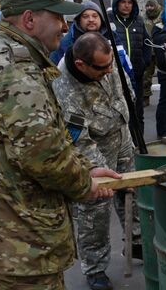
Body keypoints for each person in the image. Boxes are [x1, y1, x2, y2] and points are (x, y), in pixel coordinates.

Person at [0, 0, 120, 289]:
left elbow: (28, 138)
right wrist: (85, 184)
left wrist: (87, 166)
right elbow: (43, 154)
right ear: (29, 20)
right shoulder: (13, 68)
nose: (65, 27)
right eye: (58, 17)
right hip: (21, 241)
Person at [52, 32, 143, 290]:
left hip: (122, 135)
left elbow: (124, 88)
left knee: (132, 192)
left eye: (111, 63)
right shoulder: (64, 85)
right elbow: (78, 139)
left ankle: (136, 242)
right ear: (82, 65)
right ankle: (95, 268)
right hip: (94, 148)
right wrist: (94, 168)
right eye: (103, 67)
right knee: (96, 207)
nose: (109, 70)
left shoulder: (106, 62)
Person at [49, 0, 134, 81]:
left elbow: (126, 66)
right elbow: (53, 71)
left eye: (95, 16)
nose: (91, 20)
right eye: (85, 16)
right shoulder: (67, 41)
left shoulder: (112, 37)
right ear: (79, 20)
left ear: (101, 18)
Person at [109, 0, 150, 134]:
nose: (126, 5)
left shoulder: (138, 21)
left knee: (137, 113)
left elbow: (147, 44)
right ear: (117, 3)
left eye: (130, 2)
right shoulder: (109, 21)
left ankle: (139, 144)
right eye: (123, 2)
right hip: (116, 78)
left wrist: (143, 65)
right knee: (119, 113)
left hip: (136, 77)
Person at [143, 0, 162, 107]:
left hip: (160, 50)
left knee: (164, 74)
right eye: (148, 6)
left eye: (151, 6)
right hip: (149, 50)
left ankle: (165, 96)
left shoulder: (162, 17)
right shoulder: (143, 18)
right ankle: (146, 97)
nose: (149, 8)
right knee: (146, 76)